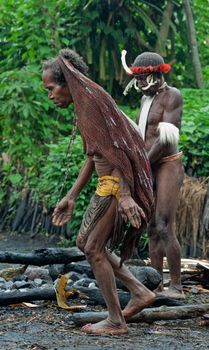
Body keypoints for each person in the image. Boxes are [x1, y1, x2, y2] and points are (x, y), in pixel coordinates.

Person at [42, 49, 155, 335]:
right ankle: (138, 291)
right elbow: (95, 156)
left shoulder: (92, 103)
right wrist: (71, 195)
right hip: (108, 184)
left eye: (51, 88)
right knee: (86, 244)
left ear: (67, 80)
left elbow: (122, 150)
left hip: (116, 186)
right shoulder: (86, 104)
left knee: (92, 248)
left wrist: (127, 195)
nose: (50, 95)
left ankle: (116, 320)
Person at [121, 50, 185, 300]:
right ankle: (156, 283)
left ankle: (177, 286)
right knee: (151, 227)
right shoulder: (145, 99)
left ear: (157, 76)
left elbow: (167, 139)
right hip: (149, 166)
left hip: (167, 164)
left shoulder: (172, 96)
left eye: (143, 79)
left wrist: (141, 164)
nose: (139, 85)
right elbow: (141, 136)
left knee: (164, 225)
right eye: (137, 80)